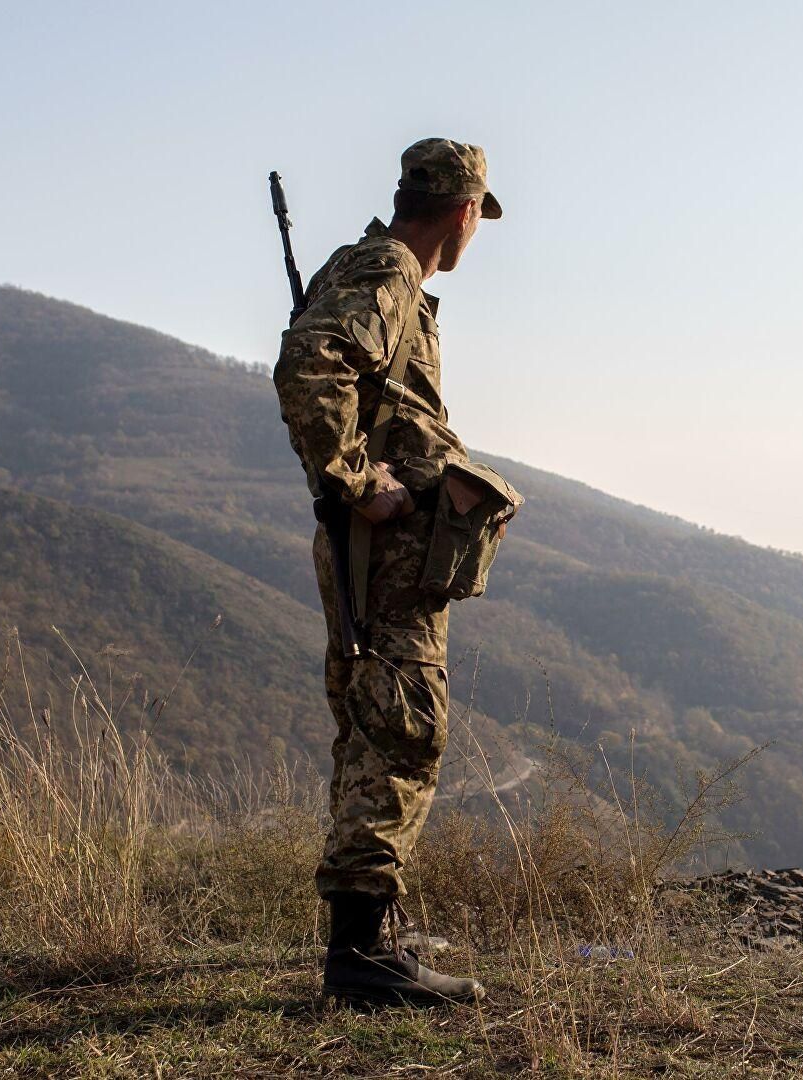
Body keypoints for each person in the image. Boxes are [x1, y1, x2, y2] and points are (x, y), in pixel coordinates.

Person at [273, 138, 503, 1007]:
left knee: (374, 724)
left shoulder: (374, 268)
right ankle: (363, 957)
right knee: (404, 728)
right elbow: (311, 362)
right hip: (387, 551)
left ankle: (368, 930)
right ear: (465, 211)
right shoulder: (389, 271)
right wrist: (358, 482)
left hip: (380, 550)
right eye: (479, 217)